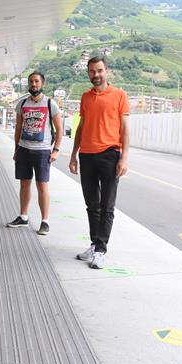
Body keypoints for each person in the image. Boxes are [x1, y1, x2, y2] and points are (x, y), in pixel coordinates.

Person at [69, 56, 130, 269]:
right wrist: (73, 155)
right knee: (92, 205)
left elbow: (125, 129)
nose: (96, 75)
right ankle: (95, 245)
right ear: (88, 73)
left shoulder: (120, 95)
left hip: (110, 155)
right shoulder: (85, 97)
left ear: (107, 71)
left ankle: (101, 250)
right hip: (86, 156)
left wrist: (123, 158)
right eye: (92, 71)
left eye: (100, 71)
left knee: (107, 206)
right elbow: (81, 127)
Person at [6, 72, 63, 235]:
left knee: (42, 184)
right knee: (24, 183)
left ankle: (45, 221)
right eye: (31, 81)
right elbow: (18, 127)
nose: (33, 84)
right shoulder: (22, 104)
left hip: (43, 150)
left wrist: (56, 150)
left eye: (36, 81)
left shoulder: (50, 103)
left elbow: (59, 130)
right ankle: (23, 217)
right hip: (24, 148)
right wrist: (16, 149)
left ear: (42, 84)